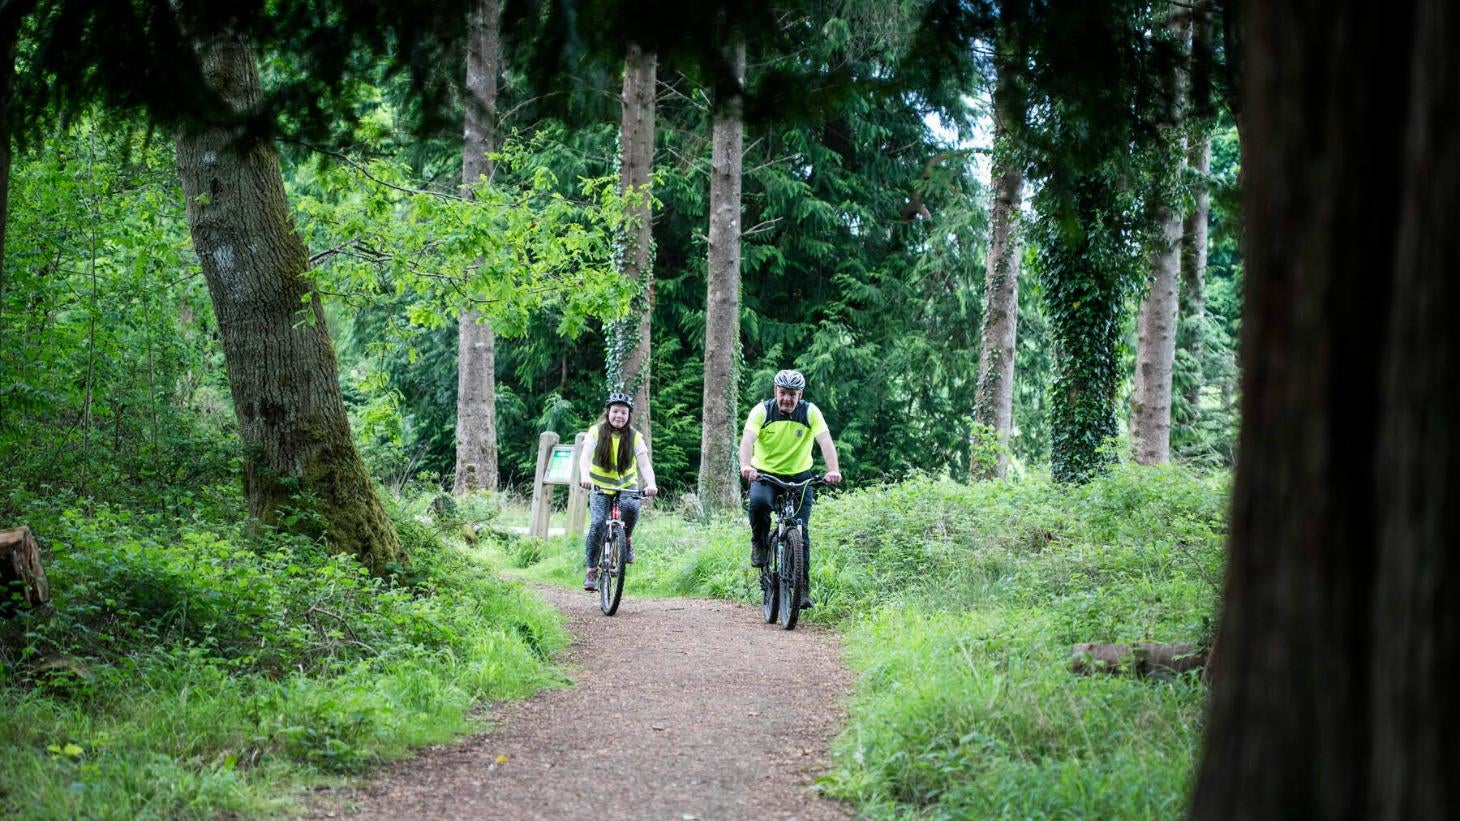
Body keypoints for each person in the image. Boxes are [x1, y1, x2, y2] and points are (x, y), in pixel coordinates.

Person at [738, 369, 842, 609]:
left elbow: (825, 440)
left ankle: (802, 590)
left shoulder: (810, 412)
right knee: (759, 504)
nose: (787, 398)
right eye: (783, 393)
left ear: (800, 394)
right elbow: (747, 439)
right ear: (776, 391)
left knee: (801, 532)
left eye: (792, 394)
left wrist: (833, 469)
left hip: (800, 478)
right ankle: (760, 543)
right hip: (765, 474)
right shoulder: (762, 411)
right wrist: (746, 465)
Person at [578, 391, 657, 591]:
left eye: (623, 412)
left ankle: (626, 539)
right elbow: (585, 457)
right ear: (608, 412)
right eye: (615, 411)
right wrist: (585, 477)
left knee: (631, 508)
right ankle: (591, 570)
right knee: (597, 524)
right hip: (599, 486)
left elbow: (645, 465)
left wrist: (651, 483)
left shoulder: (635, 437)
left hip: (626, 485)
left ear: (629, 416)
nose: (619, 416)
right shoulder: (596, 432)